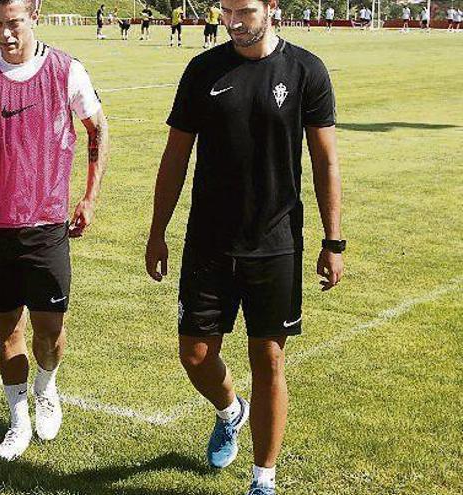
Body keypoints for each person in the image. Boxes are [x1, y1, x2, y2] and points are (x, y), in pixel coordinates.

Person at [146, 0, 343, 493]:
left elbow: (325, 163)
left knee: (268, 359)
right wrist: (157, 230)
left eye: (246, 11)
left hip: (275, 242)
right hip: (209, 240)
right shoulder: (202, 70)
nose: (234, 21)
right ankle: (231, 411)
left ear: (271, 8)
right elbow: (176, 156)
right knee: (194, 353)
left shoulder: (305, 71)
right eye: (226, 10)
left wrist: (332, 240)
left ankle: (263, 479)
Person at [0, 0, 108, 463]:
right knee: (6, 328)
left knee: (49, 332)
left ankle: (47, 387)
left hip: (46, 226)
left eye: (13, 23)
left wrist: (89, 198)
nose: (4, 35)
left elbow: (98, 130)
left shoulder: (67, 71)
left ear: (34, 14)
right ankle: (18, 420)